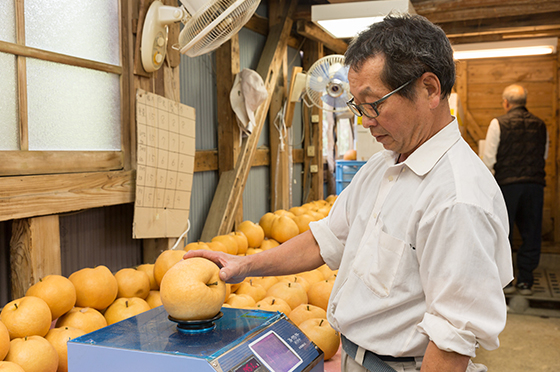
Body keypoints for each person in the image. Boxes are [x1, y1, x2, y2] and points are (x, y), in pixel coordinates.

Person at [186, 14, 513, 372]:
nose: (364, 120)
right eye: (357, 105)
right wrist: (245, 264)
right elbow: (325, 240)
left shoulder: (457, 197)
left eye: (374, 104)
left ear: (430, 89)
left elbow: (452, 340)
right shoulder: (382, 167)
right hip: (355, 357)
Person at [482, 84, 548, 296]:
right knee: (531, 232)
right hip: (534, 185)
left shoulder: (498, 123)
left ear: (506, 103)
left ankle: (506, 282)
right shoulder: (540, 125)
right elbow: (544, 155)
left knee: (504, 233)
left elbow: (489, 159)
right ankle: (526, 281)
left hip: (507, 186)